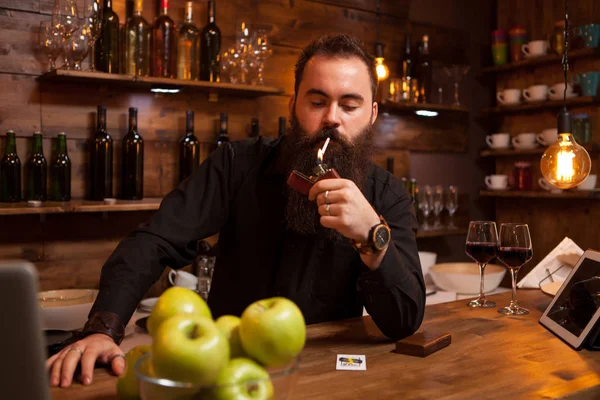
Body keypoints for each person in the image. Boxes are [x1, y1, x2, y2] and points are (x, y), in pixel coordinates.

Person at [47, 33, 425, 388]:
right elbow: (154, 239)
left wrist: (371, 237)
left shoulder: (386, 196)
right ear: (293, 105)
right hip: (222, 367)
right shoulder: (237, 164)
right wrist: (103, 328)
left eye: (349, 104)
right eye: (317, 101)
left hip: (328, 378)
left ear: (371, 114)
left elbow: (404, 322)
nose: (332, 118)